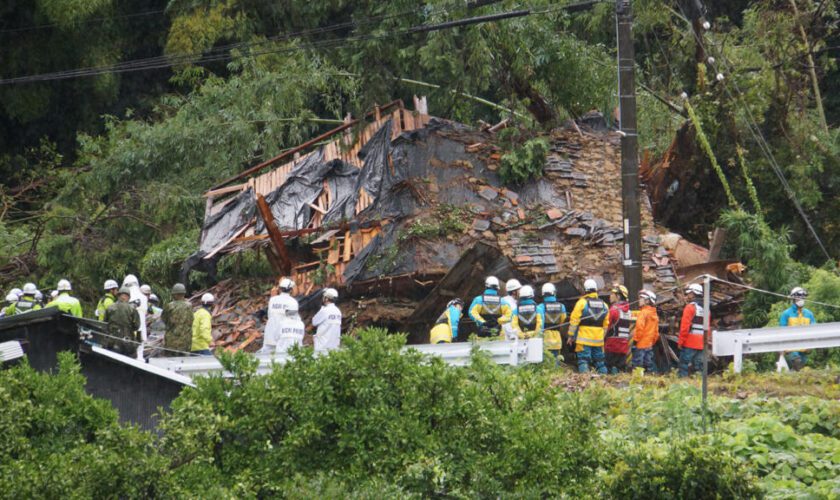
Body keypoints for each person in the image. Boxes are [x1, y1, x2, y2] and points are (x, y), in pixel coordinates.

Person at [567, 279, 609, 374]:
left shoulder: (581, 303)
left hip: (583, 339)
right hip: (598, 340)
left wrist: (570, 336)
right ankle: (605, 381)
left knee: (583, 361)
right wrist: (602, 338)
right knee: (600, 362)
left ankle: (585, 380)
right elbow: (606, 325)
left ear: (585, 290)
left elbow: (574, 321)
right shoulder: (605, 305)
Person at [779, 287, 817, 370]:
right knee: (797, 363)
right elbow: (781, 332)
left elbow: (814, 331)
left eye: (803, 297)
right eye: (799, 297)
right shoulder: (786, 314)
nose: (801, 299)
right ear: (793, 299)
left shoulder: (809, 314)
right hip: (791, 349)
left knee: (799, 371)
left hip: (804, 349)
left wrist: (811, 345)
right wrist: (781, 350)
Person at [262, 277, 299, 354]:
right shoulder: (293, 302)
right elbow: (293, 319)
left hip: (270, 334)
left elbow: (270, 315)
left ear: (280, 289)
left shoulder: (272, 300)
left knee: (266, 358)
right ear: (291, 290)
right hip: (284, 336)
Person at [678, 283, 706, 377]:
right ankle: (699, 387)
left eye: (689, 293)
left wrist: (681, 342)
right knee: (699, 368)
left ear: (693, 294)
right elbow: (708, 328)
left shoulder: (690, 307)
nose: (688, 296)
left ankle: (682, 385)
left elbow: (684, 327)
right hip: (702, 343)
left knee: (684, 366)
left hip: (690, 342)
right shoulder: (706, 309)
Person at [103, 286, 141, 356]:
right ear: (128, 297)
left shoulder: (110, 307)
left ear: (118, 296)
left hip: (111, 341)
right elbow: (137, 326)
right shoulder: (132, 309)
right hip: (127, 342)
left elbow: (105, 323)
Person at [605, 284, 633, 374]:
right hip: (624, 346)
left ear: (618, 296)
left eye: (612, 294)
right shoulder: (628, 311)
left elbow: (606, 326)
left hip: (611, 346)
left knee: (609, 369)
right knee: (621, 371)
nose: (610, 296)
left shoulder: (613, 310)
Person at [538, 283, 567, 365]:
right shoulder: (562, 307)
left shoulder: (540, 307)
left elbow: (540, 324)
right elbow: (563, 323)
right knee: (555, 362)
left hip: (545, 339)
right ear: (554, 293)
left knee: (545, 363)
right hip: (557, 338)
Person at [162, 283, 194, 356]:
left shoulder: (170, 306)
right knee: (184, 362)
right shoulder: (189, 306)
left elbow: (164, 319)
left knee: (170, 362)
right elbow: (191, 321)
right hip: (186, 341)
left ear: (175, 294)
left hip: (171, 342)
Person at [632, 290, 659, 373]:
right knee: (648, 365)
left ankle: (637, 383)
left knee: (638, 365)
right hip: (649, 344)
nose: (639, 300)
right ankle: (648, 381)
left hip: (640, 344)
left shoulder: (643, 313)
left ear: (647, 300)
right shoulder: (654, 314)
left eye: (641, 298)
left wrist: (635, 340)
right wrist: (651, 342)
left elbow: (639, 328)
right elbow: (656, 333)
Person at [312, 288, 343, 352]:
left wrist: (321, 308)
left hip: (322, 347)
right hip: (334, 347)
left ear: (326, 298)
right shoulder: (338, 312)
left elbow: (314, 322)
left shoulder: (324, 311)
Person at [123, 274, 149, 343]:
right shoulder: (144, 298)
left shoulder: (125, 298)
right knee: (140, 351)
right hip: (142, 334)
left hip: (129, 334)